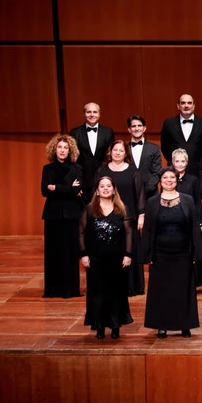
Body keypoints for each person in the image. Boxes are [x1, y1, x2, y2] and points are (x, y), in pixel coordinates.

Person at [142, 168, 202, 338]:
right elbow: (147, 229)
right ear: (160, 180)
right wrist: (148, 254)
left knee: (183, 290)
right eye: (165, 177)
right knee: (162, 290)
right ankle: (162, 326)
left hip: (183, 253)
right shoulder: (152, 202)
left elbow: (194, 227)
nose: (169, 180)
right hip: (161, 254)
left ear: (177, 180)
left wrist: (196, 253)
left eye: (172, 177)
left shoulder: (188, 200)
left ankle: (185, 325)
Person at [79, 176, 133, 339]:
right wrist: (84, 254)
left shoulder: (122, 209)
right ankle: (100, 326)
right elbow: (81, 232)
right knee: (98, 293)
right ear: (97, 190)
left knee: (116, 292)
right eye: (102, 186)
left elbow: (129, 233)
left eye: (108, 186)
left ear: (114, 189)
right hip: (96, 259)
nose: (105, 188)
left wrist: (128, 254)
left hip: (117, 259)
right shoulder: (88, 209)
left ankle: (115, 326)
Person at [96, 140, 146, 296]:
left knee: (130, 248)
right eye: (115, 150)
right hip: (107, 217)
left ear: (126, 153)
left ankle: (132, 286)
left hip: (129, 217)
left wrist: (141, 215)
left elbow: (140, 195)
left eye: (121, 150)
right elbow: (96, 193)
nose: (117, 153)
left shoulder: (133, 171)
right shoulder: (102, 170)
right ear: (110, 152)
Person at [42, 135, 84, 298]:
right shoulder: (48, 169)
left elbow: (77, 190)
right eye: (59, 147)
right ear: (54, 149)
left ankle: (70, 290)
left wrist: (56, 187)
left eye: (65, 148)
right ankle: (53, 290)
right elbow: (44, 190)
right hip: (52, 215)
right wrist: (67, 188)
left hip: (72, 214)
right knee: (53, 252)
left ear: (70, 150)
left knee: (71, 252)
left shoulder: (77, 168)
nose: (62, 150)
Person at [171, 149, 202, 285]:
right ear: (172, 162)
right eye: (177, 161)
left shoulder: (193, 180)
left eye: (183, 161)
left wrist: (199, 222)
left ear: (187, 162)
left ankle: (193, 280)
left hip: (190, 220)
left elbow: (197, 202)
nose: (180, 164)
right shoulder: (168, 178)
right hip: (173, 221)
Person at [69, 102, 114, 199]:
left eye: (95, 112)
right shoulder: (74, 133)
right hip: (82, 179)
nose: (92, 115)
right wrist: (75, 182)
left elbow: (110, 157)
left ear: (99, 114)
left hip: (103, 180)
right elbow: (72, 159)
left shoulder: (108, 132)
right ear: (84, 114)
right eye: (89, 112)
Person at [160, 93, 202, 169]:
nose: (186, 106)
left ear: (194, 106)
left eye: (189, 103)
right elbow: (165, 147)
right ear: (178, 106)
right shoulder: (169, 123)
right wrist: (174, 162)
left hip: (198, 170)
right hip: (175, 169)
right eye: (183, 103)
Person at [127, 115, 161, 193]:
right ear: (129, 129)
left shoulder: (154, 148)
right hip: (130, 193)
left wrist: (147, 189)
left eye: (139, 126)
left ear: (144, 128)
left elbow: (157, 171)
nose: (137, 128)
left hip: (150, 192)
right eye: (133, 126)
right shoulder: (124, 149)